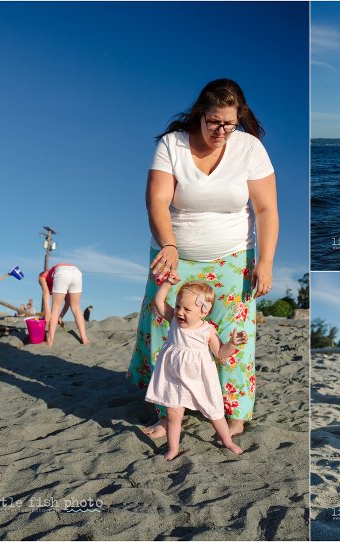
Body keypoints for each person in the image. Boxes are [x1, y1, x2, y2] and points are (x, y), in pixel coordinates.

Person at [128, 79, 278, 438]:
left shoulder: (250, 148)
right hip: (175, 255)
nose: (221, 130)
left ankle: (234, 411)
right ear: (200, 114)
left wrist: (266, 261)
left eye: (230, 123)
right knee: (170, 331)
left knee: (234, 333)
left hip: (233, 256)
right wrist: (169, 245)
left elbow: (266, 208)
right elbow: (157, 201)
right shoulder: (172, 145)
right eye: (214, 121)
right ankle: (169, 411)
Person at [145, 277, 245, 460]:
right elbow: (159, 301)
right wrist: (167, 284)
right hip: (173, 376)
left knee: (214, 411)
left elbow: (221, 353)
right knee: (173, 414)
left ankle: (227, 441)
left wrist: (232, 344)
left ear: (203, 312)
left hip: (200, 379)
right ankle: (173, 448)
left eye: (187, 309)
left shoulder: (207, 331)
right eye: (177, 306)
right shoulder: (174, 321)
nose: (180, 312)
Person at [38, 263, 90, 346]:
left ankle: (50, 341)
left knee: (55, 308)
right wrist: (61, 316)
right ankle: (85, 339)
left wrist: (47, 312)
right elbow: (68, 301)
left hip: (61, 272)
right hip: (76, 272)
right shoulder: (52, 274)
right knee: (76, 307)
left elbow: (45, 292)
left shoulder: (41, 276)